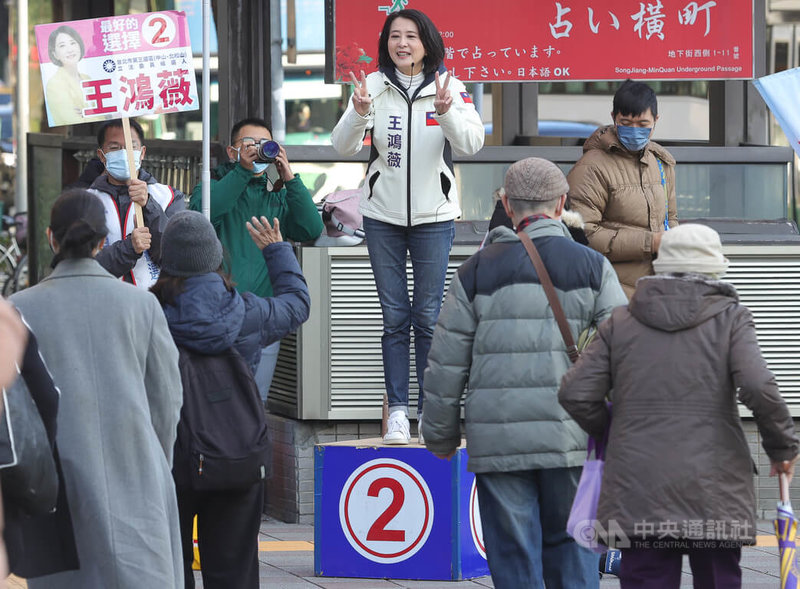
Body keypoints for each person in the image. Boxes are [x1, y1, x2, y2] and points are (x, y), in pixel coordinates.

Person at [422, 157, 627, 588]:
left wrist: (439, 435)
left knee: (514, 558)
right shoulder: (592, 266)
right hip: (573, 437)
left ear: (506, 205)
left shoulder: (475, 271)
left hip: (499, 439)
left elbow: (446, 361)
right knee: (574, 551)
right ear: (562, 205)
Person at [558, 223, 800, 589]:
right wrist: (782, 448)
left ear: (659, 265)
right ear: (715, 270)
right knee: (719, 579)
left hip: (639, 488)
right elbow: (757, 385)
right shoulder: (731, 318)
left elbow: (576, 391)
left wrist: (612, 430)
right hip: (715, 489)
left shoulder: (621, 321)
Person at [10, 189, 184, 588]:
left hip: (55, 485)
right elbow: (167, 399)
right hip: (138, 470)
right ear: (104, 242)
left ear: (52, 238)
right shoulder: (141, 305)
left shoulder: (18, 310)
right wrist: (155, 458)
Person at [331, 8, 484, 444]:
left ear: (427, 42)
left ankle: (430, 412)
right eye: (395, 36)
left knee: (429, 317)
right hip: (382, 217)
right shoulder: (372, 87)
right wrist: (359, 113)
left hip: (434, 218)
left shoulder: (450, 86)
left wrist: (447, 112)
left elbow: (472, 144)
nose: (402, 43)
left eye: (411, 36)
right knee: (395, 316)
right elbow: (341, 145)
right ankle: (397, 411)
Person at [152, 211, 310, 588]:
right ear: (216, 258)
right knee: (234, 572)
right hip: (236, 453)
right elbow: (298, 304)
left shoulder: (148, 313)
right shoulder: (248, 311)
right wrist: (277, 251)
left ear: (166, 261)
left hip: (167, 457)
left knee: (168, 570)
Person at [189, 117, 322, 402]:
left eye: (264, 145)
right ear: (231, 151)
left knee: (254, 404)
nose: (256, 151)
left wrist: (287, 175)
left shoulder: (277, 197)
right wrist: (242, 172)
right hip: (218, 315)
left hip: (262, 315)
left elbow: (310, 228)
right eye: (248, 144)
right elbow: (203, 214)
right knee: (216, 404)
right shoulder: (212, 187)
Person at [567, 79, 678, 299]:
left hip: (657, 290)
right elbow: (581, 234)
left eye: (643, 124)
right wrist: (651, 242)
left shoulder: (661, 162)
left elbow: (670, 218)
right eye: (626, 122)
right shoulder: (591, 167)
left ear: (656, 120)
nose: (634, 130)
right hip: (610, 292)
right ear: (613, 118)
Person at [89, 118, 186, 289]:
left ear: (142, 152)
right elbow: (84, 266)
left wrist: (149, 206)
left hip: (154, 302)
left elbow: (176, 256)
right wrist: (129, 248)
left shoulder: (168, 197)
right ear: (101, 155)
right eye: (114, 148)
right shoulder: (87, 202)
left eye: (131, 146)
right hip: (103, 302)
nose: (124, 153)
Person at [44, 26, 91, 126]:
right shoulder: (55, 84)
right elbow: (72, 120)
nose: (70, 49)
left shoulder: (87, 78)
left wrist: (85, 113)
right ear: (55, 54)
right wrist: (91, 113)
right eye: (62, 46)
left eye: (73, 43)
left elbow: (105, 115)